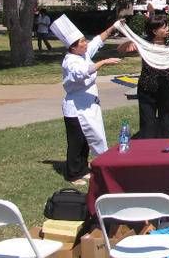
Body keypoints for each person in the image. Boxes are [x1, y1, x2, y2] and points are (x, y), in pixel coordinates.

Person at [52, 15, 121, 186]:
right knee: (76, 142)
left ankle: (83, 169)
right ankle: (73, 173)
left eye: (84, 40)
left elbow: (97, 41)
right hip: (75, 107)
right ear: (73, 47)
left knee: (86, 141)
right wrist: (103, 62)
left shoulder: (83, 54)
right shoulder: (70, 62)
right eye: (81, 42)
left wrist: (113, 27)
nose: (85, 44)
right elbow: (83, 73)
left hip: (89, 105)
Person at [121, 15, 169, 139]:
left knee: (167, 123)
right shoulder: (144, 42)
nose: (168, 29)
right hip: (147, 88)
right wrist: (129, 43)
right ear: (155, 31)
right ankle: (148, 151)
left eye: (168, 26)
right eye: (164, 27)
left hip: (167, 87)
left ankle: (166, 152)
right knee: (148, 124)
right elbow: (120, 49)